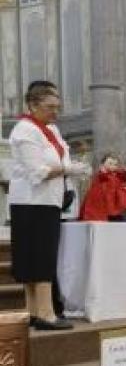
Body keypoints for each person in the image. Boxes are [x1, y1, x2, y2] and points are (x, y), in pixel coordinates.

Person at [9, 81, 90, 330]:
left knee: (41, 255)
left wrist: (68, 168)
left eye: (58, 106)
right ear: (33, 105)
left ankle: (33, 312)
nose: (56, 112)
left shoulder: (51, 130)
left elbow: (60, 157)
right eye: (50, 106)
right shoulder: (25, 130)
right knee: (36, 257)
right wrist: (69, 169)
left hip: (49, 201)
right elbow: (37, 172)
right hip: (30, 202)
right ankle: (44, 314)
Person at [79, 153, 126, 221]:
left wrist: (125, 172)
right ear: (103, 164)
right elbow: (101, 178)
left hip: (115, 194)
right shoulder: (103, 174)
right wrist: (103, 172)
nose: (113, 166)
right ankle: (113, 213)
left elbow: (122, 178)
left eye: (115, 164)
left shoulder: (116, 174)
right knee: (108, 201)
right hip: (105, 194)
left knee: (124, 195)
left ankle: (124, 211)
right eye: (110, 163)